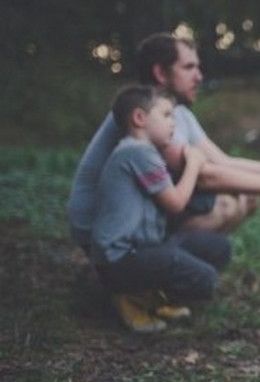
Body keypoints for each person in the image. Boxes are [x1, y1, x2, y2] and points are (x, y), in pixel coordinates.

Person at [67, 32, 260, 251]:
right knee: (224, 204)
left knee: (247, 197)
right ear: (160, 72)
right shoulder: (149, 118)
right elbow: (206, 176)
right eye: (188, 67)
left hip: (133, 216)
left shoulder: (176, 112)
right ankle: (153, 279)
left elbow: (223, 161)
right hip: (99, 229)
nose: (199, 76)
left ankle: (170, 272)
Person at [91, 85, 232, 333]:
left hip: (144, 249)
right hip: (120, 259)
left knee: (219, 247)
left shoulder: (142, 152)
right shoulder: (137, 152)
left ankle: (153, 295)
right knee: (205, 279)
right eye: (166, 115)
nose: (173, 124)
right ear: (139, 119)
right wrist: (194, 163)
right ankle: (131, 298)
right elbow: (176, 202)